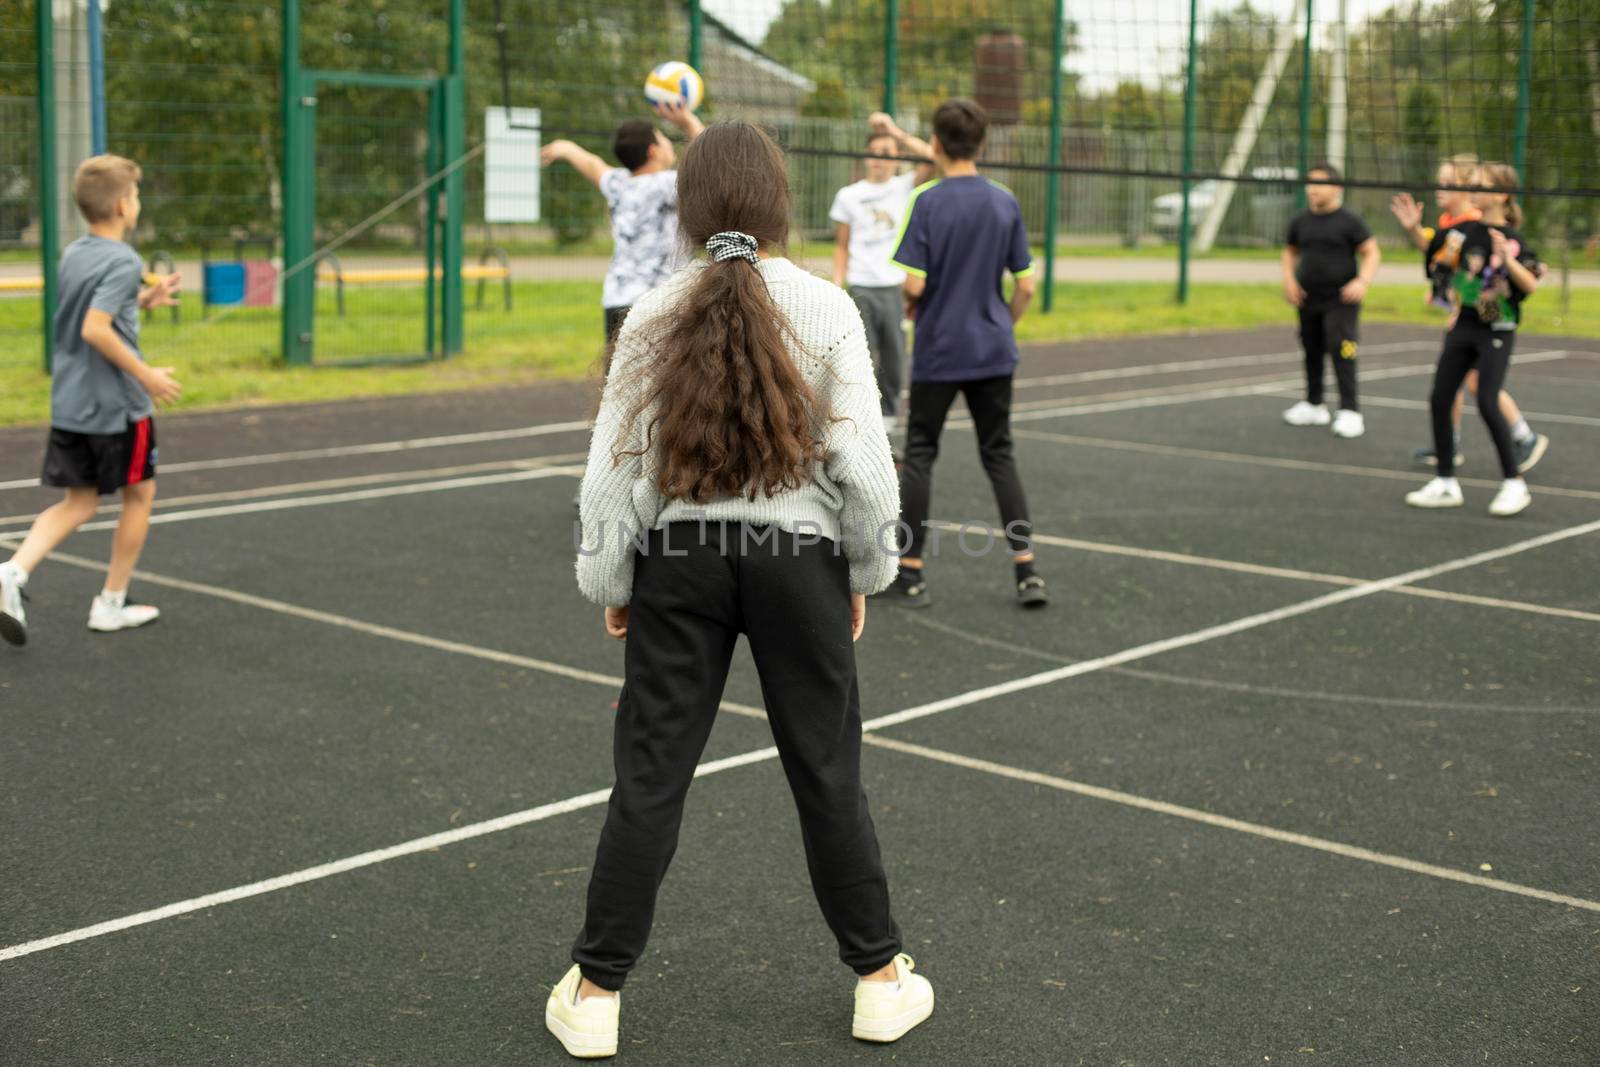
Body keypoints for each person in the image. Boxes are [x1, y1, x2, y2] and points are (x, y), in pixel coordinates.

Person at [550, 122, 928, 1060]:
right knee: (827, 770)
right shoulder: (828, 305)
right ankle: (880, 980)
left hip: (679, 563)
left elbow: (613, 471)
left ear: (688, 206)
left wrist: (612, 576)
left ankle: (596, 990)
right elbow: (867, 469)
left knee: (649, 774)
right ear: (778, 204)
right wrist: (865, 571)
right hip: (798, 562)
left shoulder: (649, 311)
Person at [0, 155, 182, 647]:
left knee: (78, 501)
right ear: (125, 204)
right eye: (137, 195)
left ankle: (11, 573)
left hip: (72, 402)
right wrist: (145, 375)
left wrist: (143, 301)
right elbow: (94, 327)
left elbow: (100, 308)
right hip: (117, 408)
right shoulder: (123, 260)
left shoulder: (74, 253)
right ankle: (110, 603)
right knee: (139, 495)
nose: (138, 202)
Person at [874, 98, 1046, 610]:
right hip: (992, 349)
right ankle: (1027, 571)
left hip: (941, 349)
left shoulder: (927, 200)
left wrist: (912, 303)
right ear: (982, 143)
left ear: (936, 144)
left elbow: (914, 282)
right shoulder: (1004, 201)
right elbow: (1027, 285)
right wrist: (1002, 324)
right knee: (1000, 454)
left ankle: (911, 573)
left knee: (921, 455)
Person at [1390, 154, 1548, 472]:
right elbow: (1442, 257)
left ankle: (1519, 449)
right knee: (1447, 392)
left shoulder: (1503, 236)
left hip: (1493, 325)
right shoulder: (1462, 230)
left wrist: (1505, 268)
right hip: (1469, 319)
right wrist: (1454, 300)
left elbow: (1525, 281)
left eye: (1452, 183)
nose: (1443, 188)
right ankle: (1450, 455)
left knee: (1482, 392)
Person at [540, 100, 705, 351]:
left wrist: (567, 148)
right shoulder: (667, 184)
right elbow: (707, 162)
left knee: (620, 383)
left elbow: (593, 165)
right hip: (660, 300)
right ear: (654, 151)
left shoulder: (618, 183)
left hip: (617, 300)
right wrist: (688, 121)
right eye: (663, 139)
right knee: (664, 383)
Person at [828, 114, 935, 441]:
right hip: (861, 286)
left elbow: (932, 157)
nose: (880, 160)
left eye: (887, 153)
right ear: (866, 158)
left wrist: (894, 132)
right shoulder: (849, 195)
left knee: (892, 362)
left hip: (894, 289)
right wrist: (837, 284)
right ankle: (857, 427)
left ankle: (888, 430)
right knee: (860, 360)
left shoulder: (903, 188)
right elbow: (842, 246)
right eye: (875, 153)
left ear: (897, 157)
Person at [1280, 162, 1381, 438]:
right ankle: (1314, 404)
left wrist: (1362, 281)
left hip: (1342, 298)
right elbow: (1289, 252)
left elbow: (1372, 252)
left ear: (1335, 187)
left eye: (1319, 183)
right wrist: (1289, 280)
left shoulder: (1349, 221)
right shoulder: (1300, 221)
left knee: (1342, 347)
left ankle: (1350, 411)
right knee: (1311, 346)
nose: (1313, 189)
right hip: (1309, 297)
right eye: (1310, 183)